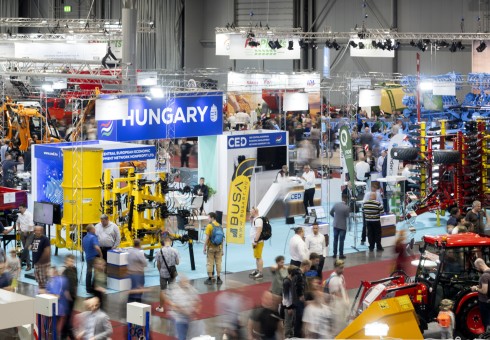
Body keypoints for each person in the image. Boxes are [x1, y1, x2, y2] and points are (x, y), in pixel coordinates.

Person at [155, 233, 180, 313]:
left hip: (163, 273)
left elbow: (158, 264)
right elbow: (177, 263)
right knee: (172, 290)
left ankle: (161, 307)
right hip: (172, 274)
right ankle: (172, 308)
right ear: (170, 241)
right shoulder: (175, 251)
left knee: (163, 291)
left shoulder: (159, 251)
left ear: (164, 241)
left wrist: (160, 271)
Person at [325, 259, 349, 336]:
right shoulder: (334, 280)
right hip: (336, 307)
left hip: (340, 305)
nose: (343, 269)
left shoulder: (340, 276)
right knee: (338, 327)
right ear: (336, 268)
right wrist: (345, 303)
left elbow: (343, 290)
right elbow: (335, 294)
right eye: (340, 268)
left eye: (343, 267)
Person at [46, 266, 69, 334]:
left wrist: (48, 295)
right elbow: (47, 291)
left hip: (59, 306)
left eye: (52, 271)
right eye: (49, 271)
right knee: (52, 321)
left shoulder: (60, 280)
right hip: (52, 305)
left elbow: (57, 296)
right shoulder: (50, 280)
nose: (50, 273)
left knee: (57, 322)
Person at [203, 212, 224, 285]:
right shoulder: (220, 226)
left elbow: (207, 238)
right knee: (218, 263)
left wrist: (204, 247)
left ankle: (210, 278)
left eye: (208, 217)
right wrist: (222, 249)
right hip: (219, 247)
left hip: (211, 247)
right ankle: (218, 278)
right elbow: (222, 239)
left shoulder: (209, 226)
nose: (208, 218)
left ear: (212, 218)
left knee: (210, 263)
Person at [82, 225, 102, 294]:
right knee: (97, 272)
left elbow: (83, 248)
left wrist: (87, 253)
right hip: (94, 257)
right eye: (94, 229)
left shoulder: (84, 237)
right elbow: (96, 247)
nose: (95, 230)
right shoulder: (93, 237)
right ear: (91, 230)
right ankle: (95, 287)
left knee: (89, 272)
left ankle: (88, 288)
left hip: (88, 257)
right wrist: (101, 255)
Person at [61, 254, 77, 340]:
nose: (71, 263)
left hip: (73, 295)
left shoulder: (75, 269)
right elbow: (64, 286)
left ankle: (67, 333)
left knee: (69, 316)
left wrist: (75, 292)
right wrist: (68, 296)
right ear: (66, 262)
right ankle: (65, 334)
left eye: (72, 261)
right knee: (68, 317)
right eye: (69, 261)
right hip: (67, 298)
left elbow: (76, 281)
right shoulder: (65, 272)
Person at [471, 258, 490, 331]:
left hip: (485, 302)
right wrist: (478, 286)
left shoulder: (484, 276)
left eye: (476, 267)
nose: (477, 269)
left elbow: (484, 291)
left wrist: (475, 288)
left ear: (480, 265)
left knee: (487, 322)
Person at [127, 239, 148, 303]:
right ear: (139, 245)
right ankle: (137, 304)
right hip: (138, 274)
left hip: (131, 273)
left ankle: (131, 303)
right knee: (138, 290)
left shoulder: (129, 251)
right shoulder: (139, 253)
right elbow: (145, 263)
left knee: (133, 289)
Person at [31, 225, 51, 292]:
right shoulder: (33, 238)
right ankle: (41, 296)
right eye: (36, 230)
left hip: (43, 264)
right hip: (36, 264)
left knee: (44, 283)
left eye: (39, 230)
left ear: (42, 231)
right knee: (39, 281)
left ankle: (46, 296)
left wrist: (40, 262)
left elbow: (47, 252)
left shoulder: (45, 239)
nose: (37, 232)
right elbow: (31, 248)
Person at [330, 195, 350, 259]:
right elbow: (347, 216)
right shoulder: (347, 207)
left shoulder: (336, 205)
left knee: (335, 240)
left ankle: (334, 254)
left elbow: (331, 212)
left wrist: (335, 217)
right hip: (342, 226)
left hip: (335, 225)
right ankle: (341, 255)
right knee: (341, 241)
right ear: (346, 199)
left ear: (341, 198)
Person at [16, 203, 34, 271]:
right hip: (22, 233)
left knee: (26, 248)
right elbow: (17, 222)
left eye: (20, 208)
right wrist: (19, 229)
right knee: (25, 249)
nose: (19, 209)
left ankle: (20, 261)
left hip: (29, 233)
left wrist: (26, 231)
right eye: (19, 208)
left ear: (24, 208)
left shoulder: (29, 215)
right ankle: (28, 265)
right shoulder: (19, 214)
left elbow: (31, 225)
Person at [250, 207, 264, 280]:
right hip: (255, 241)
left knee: (259, 257)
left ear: (255, 211)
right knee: (257, 257)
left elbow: (259, 231)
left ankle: (260, 273)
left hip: (257, 242)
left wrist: (256, 241)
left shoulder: (258, 220)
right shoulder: (255, 219)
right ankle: (258, 270)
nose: (250, 212)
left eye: (251, 211)